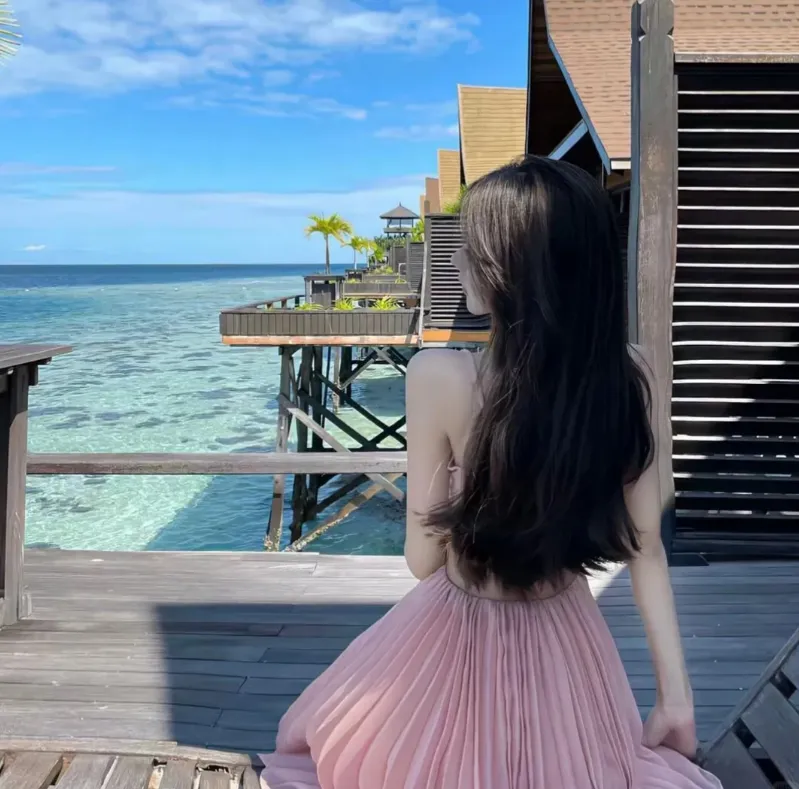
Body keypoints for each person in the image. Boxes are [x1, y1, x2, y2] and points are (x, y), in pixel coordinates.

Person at [259, 157, 722, 788]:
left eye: (471, 248)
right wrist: (676, 698)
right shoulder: (633, 375)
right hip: (567, 639)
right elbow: (646, 549)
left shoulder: (439, 373)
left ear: (511, 270)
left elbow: (423, 560)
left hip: (461, 627)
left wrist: (469, 493)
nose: (457, 262)